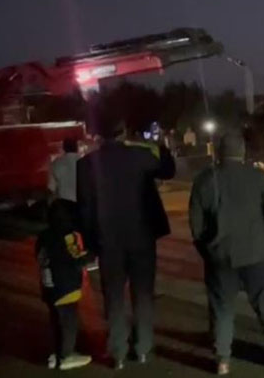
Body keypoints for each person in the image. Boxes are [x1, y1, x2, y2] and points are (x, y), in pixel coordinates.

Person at [189, 132, 264, 375]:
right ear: (243, 153)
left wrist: (207, 251)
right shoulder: (256, 176)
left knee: (221, 308)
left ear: (217, 152)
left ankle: (222, 359)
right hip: (258, 253)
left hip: (220, 257)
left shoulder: (204, 180)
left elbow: (195, 226)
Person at [76, 120, 176, 369]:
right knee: (143, 294)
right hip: (142, 235)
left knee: (113, 296)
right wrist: (162, 147)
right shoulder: (141, 156)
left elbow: (85, 208)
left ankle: (118, 352)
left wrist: (90, 243)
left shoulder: (86, 164)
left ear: (98, 135)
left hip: (108, 240)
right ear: (123, 133)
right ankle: (142, 348)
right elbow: (168, 171)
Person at [36, 199, 93, 370]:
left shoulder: (43, 235)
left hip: (49, 286)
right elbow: (77, 258)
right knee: (69, 323)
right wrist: (92, 255)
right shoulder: (69, 236)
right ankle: (66, 356)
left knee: (56, 321)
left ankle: (58, 353)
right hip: (66, 287)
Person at [49, 138, 80, 202]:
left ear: (64, 148)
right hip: (83, 204)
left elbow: (51, 188)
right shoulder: (86, 162)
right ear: (77, 148)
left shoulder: (56, 164)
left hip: (64, 204)